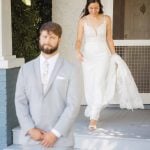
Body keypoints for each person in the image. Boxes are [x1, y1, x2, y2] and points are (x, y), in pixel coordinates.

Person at [75, 0, 143, 130]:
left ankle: (94, 118)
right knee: (90, 85)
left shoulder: (106, 18)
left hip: (103, 55)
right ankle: (93, 107)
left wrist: (114, 55)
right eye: (91, 8)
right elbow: (78, 40)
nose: (94, 11)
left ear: (100, 7)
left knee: (99, 82)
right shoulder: (83, 21)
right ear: (87, 8)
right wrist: (77, 50)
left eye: (96, 8)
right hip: (88, 57)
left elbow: (109, 39)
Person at [15, 21, 81, 150]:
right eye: (45, 36)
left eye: (52, 37)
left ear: (59, 40)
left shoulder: (71, 69)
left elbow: (73, 105)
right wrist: (30, 129)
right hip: (31, 139)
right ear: (39, 38)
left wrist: (55, 133)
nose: (48, 40)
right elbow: (20, 102)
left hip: (61, 140)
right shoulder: (25, 69)